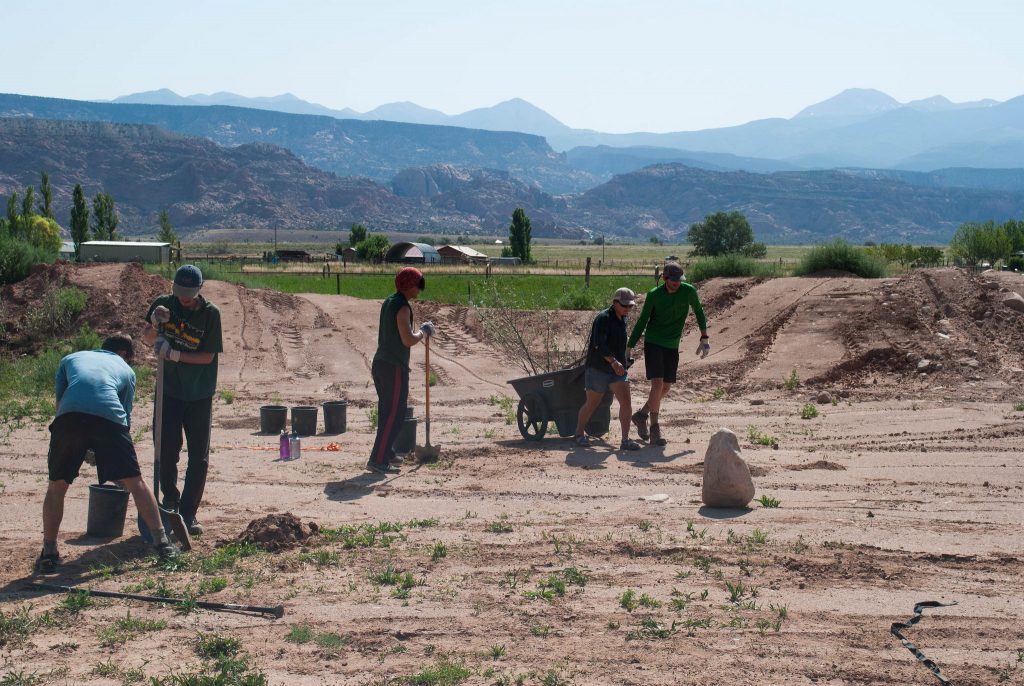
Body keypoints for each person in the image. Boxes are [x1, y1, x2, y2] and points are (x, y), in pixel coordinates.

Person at [37, 335, 178, 573]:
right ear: (125, 354)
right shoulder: (126, 370)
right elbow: (124, 416)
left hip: (68, 420)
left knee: (57, 485)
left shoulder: (70, 358)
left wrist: (84, 446)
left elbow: (62, 405)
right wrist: (108, 453)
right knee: (136, 482)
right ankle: (162, 543)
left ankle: (49, 552)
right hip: (109, 418)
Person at [143, 264, 223, 535]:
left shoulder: (211, 315)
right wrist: (155, 324)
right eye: (180, 292)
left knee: (198, 457)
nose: (184, 298)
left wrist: (175, 355)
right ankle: (169, 501)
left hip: (199, 393)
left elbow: (207, 357)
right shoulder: (164, 304)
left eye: (189, 293)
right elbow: (146, 339)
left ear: (199, 290)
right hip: (169, 391)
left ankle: (188, 514)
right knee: (165, 449)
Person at [626, 262, 709, 446]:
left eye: (678, 280)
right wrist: (629, 346)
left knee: (666, 387)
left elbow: (699, 311)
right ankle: (655, 428)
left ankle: (641, 415)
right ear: (664, 279)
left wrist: (704, 337)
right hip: (654, 342)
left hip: (672, 345)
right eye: (672, 280)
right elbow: (642, 321)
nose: (676, 284)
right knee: (657, 384)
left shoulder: (688, 291)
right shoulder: (654, 295)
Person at [367, 266, 435, 474]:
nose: (419, 290)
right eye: (417, 285)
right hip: (393, 366)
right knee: (395, 414)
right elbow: (407, 339)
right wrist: (423, 332)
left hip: (381, 364)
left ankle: (386, 453)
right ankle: (378, 460)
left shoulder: (389, 301)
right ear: (409, 286)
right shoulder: (403, 307)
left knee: (387, 412)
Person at [574, 287, 642, 451]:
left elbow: (619, 344)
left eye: (630, 306)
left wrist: (624, 360)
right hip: (598, 368)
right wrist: (613, 362)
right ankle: (579, 433)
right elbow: (599, 345)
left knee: (626, 403)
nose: (627, 309)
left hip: (617, 371)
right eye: (624, 305)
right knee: (592, 404)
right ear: (615, 302)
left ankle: (625, 440)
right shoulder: (603, 318)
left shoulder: (623, 319)